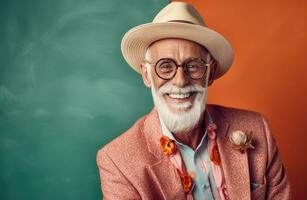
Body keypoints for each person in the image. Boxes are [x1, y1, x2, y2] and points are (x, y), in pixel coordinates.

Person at [96, 2, 291, 200]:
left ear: (211, 72)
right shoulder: (117, 161)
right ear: (146, 75)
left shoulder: (257, 129)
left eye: (194, 66)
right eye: (165, 66)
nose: (180, 81)